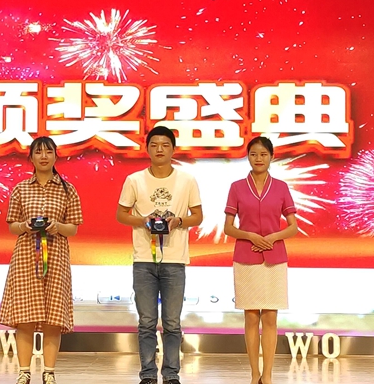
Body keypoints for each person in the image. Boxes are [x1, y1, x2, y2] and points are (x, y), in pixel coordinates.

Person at [116, 126, 203, 384]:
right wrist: (142, 220)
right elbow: (121, 214)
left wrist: (179, 221)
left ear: (173, 149)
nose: (160, 149)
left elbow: (198, 215)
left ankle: (171, 374)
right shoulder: (134, 180)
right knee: (146, 322)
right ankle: (147, 375)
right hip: (143, 259)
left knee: (172, 323)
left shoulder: (187, 180)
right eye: (154, 145)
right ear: (147, 149)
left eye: (165, 145)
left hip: (175, 260)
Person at [0, 136, 83, 384]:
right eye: (38, 152)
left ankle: (49, 372)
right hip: (26, 256)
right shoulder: (21, 188)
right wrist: (24, 226)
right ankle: (24, 372)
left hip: (56, 256)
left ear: (56, 156)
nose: (43, 156)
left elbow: (73, 228)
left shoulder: (67, 189)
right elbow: (12, 225)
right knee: (25, 316)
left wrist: (58, 227)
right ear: (31, 157)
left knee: (53, 318)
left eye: (48, 152)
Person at [224, 136, 298, 384]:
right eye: (254, 154)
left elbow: (293, 226)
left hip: (274, 258)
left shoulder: (281, 187)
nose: (258, 159)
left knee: (270, 316)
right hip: (246, 257)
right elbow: (228, 227)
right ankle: (254, 373)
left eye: (263, 154)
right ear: (248, 156)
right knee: (251, 316)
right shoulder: (236, 187)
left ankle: (267, 375)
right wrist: (250, 236)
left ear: (271, 157)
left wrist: (273, 237)